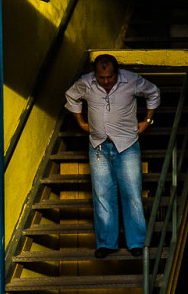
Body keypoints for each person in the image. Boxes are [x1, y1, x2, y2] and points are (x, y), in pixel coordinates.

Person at [65, 54, 161, 259]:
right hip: (98, 146)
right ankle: (107, 243)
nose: (106, 81)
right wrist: (81, 122)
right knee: (102, 195)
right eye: (101, 78)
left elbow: (153, 92)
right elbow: (71, 96)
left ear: (117, 72)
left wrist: (147, 121)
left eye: (110, 77)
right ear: (95, 74)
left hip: (127, 146)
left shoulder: (132, 80)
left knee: (132, 194)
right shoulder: (86, 83)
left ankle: (137, 243)